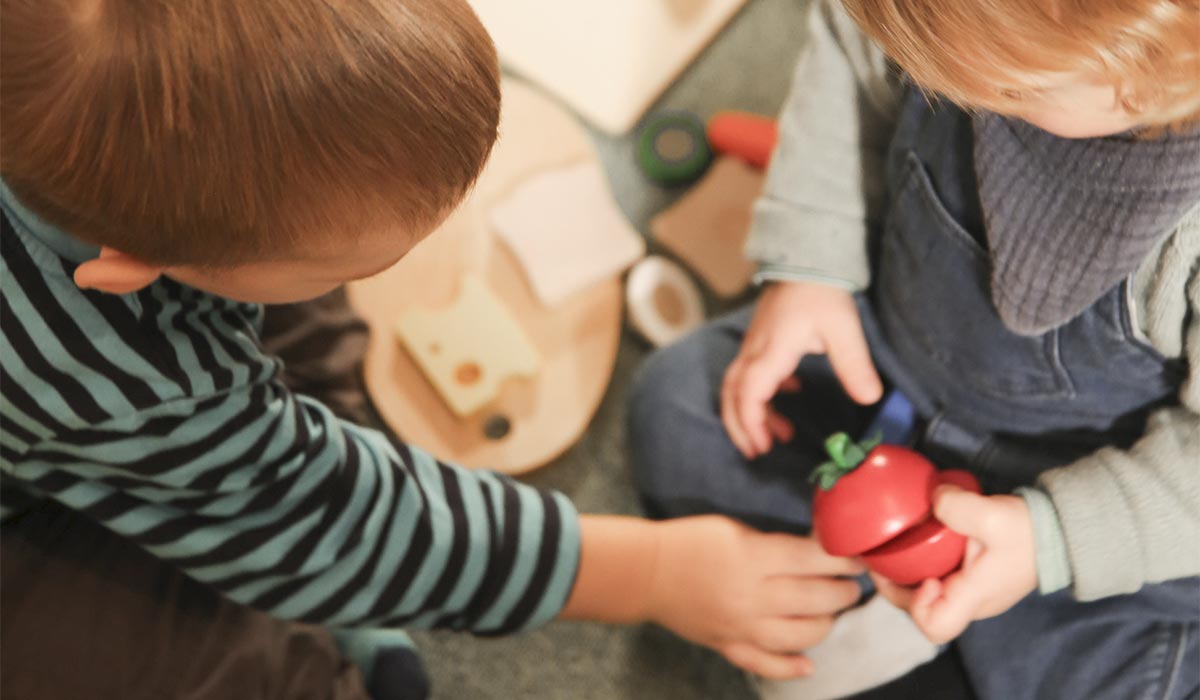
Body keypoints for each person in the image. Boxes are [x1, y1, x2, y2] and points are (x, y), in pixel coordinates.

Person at [0, 1, 866, 697]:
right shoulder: (135, 377)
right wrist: (651, 574)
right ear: (135, 269)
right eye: (369, 261)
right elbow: (330, 529)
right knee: (236, 661)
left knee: (295, 360)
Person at [628, 0, 1200, 698]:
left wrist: (1050, 539)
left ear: (1154, 65)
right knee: (676, 408)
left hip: (1098, 489)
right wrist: (810, 266)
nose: (947, 92)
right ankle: (927, 624)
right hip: (889, 375)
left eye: (1007, 93)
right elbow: (848, 55)